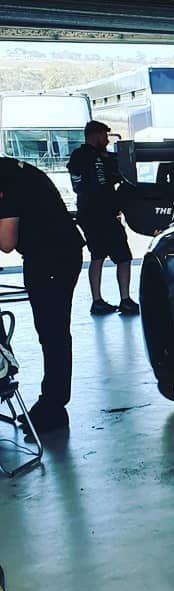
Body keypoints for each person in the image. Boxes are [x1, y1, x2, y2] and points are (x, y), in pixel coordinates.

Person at [0, 157, 85, 433]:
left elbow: (6, 241)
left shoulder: (6, 181)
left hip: (51, 257)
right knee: (53, 332)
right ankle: (52, 403)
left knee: (53, 332)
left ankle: (53, 407)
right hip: (57, 252)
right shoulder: (14, 170)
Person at [68, 121, 139, 316]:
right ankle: (124, 300)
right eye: (105, 136)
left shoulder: (79, 157)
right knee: (123, 257)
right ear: (95, 135)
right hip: (102, 214)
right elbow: (107, 180)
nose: (107, 141)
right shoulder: (94, 158)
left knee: (98, 256)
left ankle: (98, 300)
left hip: (90, 214)